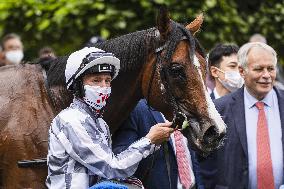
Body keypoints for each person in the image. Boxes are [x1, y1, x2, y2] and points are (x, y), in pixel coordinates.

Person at [46, 47, 174, 189]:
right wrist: (149, 141)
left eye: (107, 81)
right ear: (77, 86)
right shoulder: (70, 120)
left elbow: (103, 174)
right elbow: (113, 169)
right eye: (96, 80)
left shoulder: (100, 124)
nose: (104, 86)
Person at [200, 42, 284, 189]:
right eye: (258, 69)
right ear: (242, 71)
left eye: (270, 68)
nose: (266, 75)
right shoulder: (219, 109)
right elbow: (205, 161)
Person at [112, 99, 205, 189]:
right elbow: (119, 159)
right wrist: (149, 141)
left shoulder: (185, 107)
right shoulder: (137, 109)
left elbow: (193, 155)